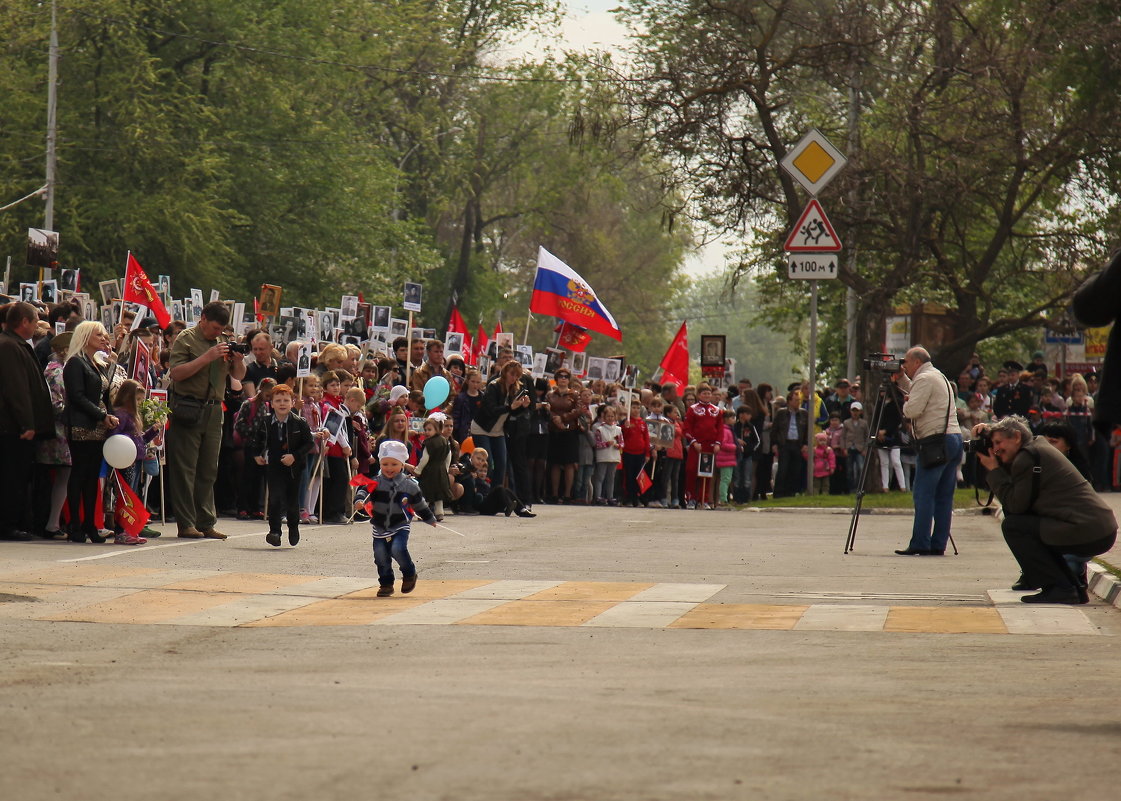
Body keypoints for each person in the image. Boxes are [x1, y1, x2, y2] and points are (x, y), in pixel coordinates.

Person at [974, 415, 1116, 603]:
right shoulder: (1035, 447)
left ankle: (1060, 588)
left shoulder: (1028, 457)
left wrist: (993, 471)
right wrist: (990, 430)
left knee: (1014, 526)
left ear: (1017, 437)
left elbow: (1016, 506)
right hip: (1099, 529)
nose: (996, 449)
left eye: (999, 442)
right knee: (1025, 525)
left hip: (1088, 530)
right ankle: (1073, 588)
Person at [166, 301, 246, 539]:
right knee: (185, 468)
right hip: (189, 406)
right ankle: (186, 523)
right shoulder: (186, 339)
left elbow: (238, 376)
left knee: (209, 468)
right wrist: (206, 357)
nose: (216, 333)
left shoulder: (222, 342)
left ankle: (206, 521)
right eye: (213, 328)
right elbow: (176, 373)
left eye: (220, 330)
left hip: (214, 409)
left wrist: (238, 360)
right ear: (202, 318)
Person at [894, 347, 964, 556]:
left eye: (906, 362)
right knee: (943, 496)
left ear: (916, 362)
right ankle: (937, 543)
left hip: (935, 441)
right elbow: (918, 392)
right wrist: (902, 380)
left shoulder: (924, 379)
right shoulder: (936, 376)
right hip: (953, 438)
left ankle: (920, 542)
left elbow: (913, 410)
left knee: (923, 494)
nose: (904, 366)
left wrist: (906, 405)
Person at [353, 440, 438, 597]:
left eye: (394, 464)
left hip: (400, 524)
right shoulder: (376, 482)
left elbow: (420, 504)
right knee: (380, 556)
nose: (389, 468)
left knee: (398, 549)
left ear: (402, 465)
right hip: (379, 526)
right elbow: (363, 491)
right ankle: (386, 583)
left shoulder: (409, 484)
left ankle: (409, 573)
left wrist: (429, 518)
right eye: (385, 464)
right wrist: (359, 501)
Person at [1, 302, 56, 541]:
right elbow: (16, 388)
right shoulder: (9, 346)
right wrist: (27, 423)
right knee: (11, 477)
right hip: (13, 428)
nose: (36, 326)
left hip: (17, 427)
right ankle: (6, 525)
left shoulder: (16, 345)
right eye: (34, 322)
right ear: (23, 322)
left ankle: (14, 522)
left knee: (19, 477)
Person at [62, 321, 121, 543]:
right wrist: (101, 415)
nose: (104, 338)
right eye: (99, 334)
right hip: (81, 426)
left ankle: (90, 524)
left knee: (91, 478)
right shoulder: (75, 363)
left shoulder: (96, 363)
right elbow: (77, 397)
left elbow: (105, 393)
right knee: (79, 474)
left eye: (105, 334)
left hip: (98, 427)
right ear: (85, 336)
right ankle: (74, 524)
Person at [250, 383, 313, 547]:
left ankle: (293, 527)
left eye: (286, 400)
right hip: (274, 464)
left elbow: (308, 443)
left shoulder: (300, 422)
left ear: (292, 402)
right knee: (275, 498)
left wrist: (295, 456)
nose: (282, 404)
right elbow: (256, 440)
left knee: (292, 502)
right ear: (272, 403)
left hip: (293, 466)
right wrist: (257, 454)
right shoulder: (265, 422)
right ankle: (275, 532)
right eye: (278, 400)